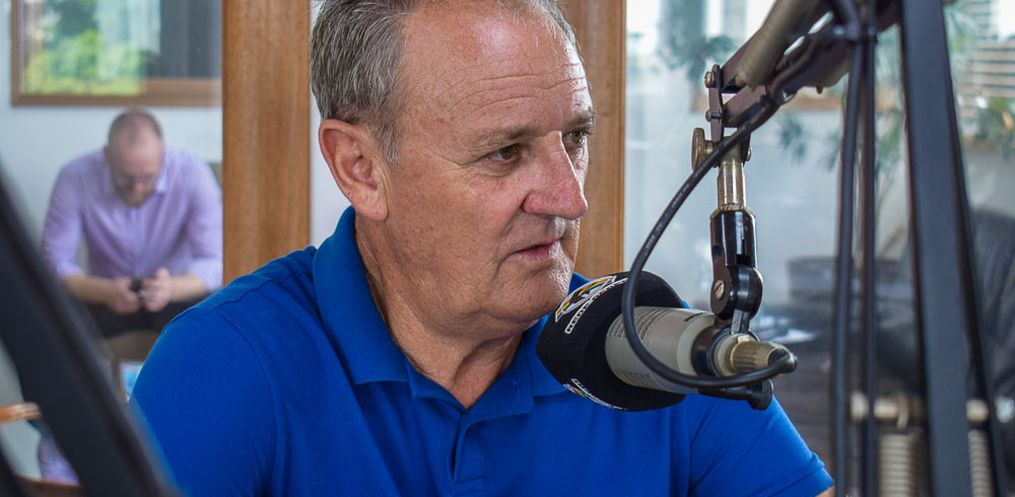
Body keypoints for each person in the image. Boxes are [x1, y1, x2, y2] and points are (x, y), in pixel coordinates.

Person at [132, 1, 833, 496]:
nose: (570, 199)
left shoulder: (656, 352)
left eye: (575, 139)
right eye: (505, 152)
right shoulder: (223, 362)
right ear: (360, 168)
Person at [42, 109, 222, 337]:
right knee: (49, 313)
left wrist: (171, 288)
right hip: (104, 297)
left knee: (211, 313)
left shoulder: (194, 174)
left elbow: (214, 260)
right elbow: (55, 261)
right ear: (107, 156)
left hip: (176, 296)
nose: (138, 188)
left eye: (147, 177)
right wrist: (103, 291)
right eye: (126, 178)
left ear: (163, 154)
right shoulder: (75, 176)